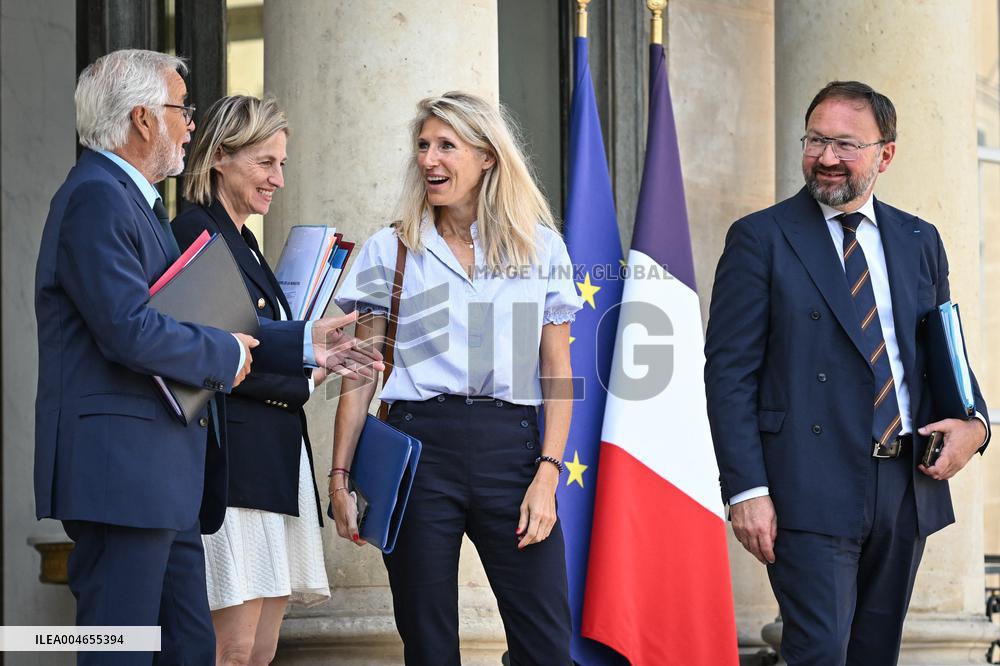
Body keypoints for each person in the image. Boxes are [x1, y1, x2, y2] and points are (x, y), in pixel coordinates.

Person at [33, 49, 382, 666]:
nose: (190, 124)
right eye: (181, 108)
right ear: (143, 119)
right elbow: (130, 330)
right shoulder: (96, 196)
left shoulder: (130, 201)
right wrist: (223, 352)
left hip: (164, 479)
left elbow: (196, 317)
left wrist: (304, 341)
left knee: (188, 650)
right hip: (122, 478)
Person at [704, 80, 991, 665]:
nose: (826, 158)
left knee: (872, 654)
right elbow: (727, 374)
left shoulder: (919, 239)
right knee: (818, 654)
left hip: (904, 484)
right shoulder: (761, 237)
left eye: (845, 144)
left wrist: (976, 424)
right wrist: (747, 490)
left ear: (885, 154)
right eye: (814, 140)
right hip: (804, 485)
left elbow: (946, 352)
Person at [329, 91, 581, 665]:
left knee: (546, 645)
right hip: (419, 449)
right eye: (423, 145)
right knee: (429, 644)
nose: (429, 159)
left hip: (513, 449)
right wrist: (340, 476)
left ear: (487, 156)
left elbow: (558, 370)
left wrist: (548, 472)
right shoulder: (388, 249)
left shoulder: (540, 247)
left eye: (447, 145)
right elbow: (360, 375)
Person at [172, 95, 330, 666]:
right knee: (229, 650)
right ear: (218, 157)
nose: (278, 180)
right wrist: (310, 374)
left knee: (260, 651)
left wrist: (315, 357)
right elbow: (221, 357)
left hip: (272, 464)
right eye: (266, 163)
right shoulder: (195, 230)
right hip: (232, 469)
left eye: (281, 164)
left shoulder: (245, 240)